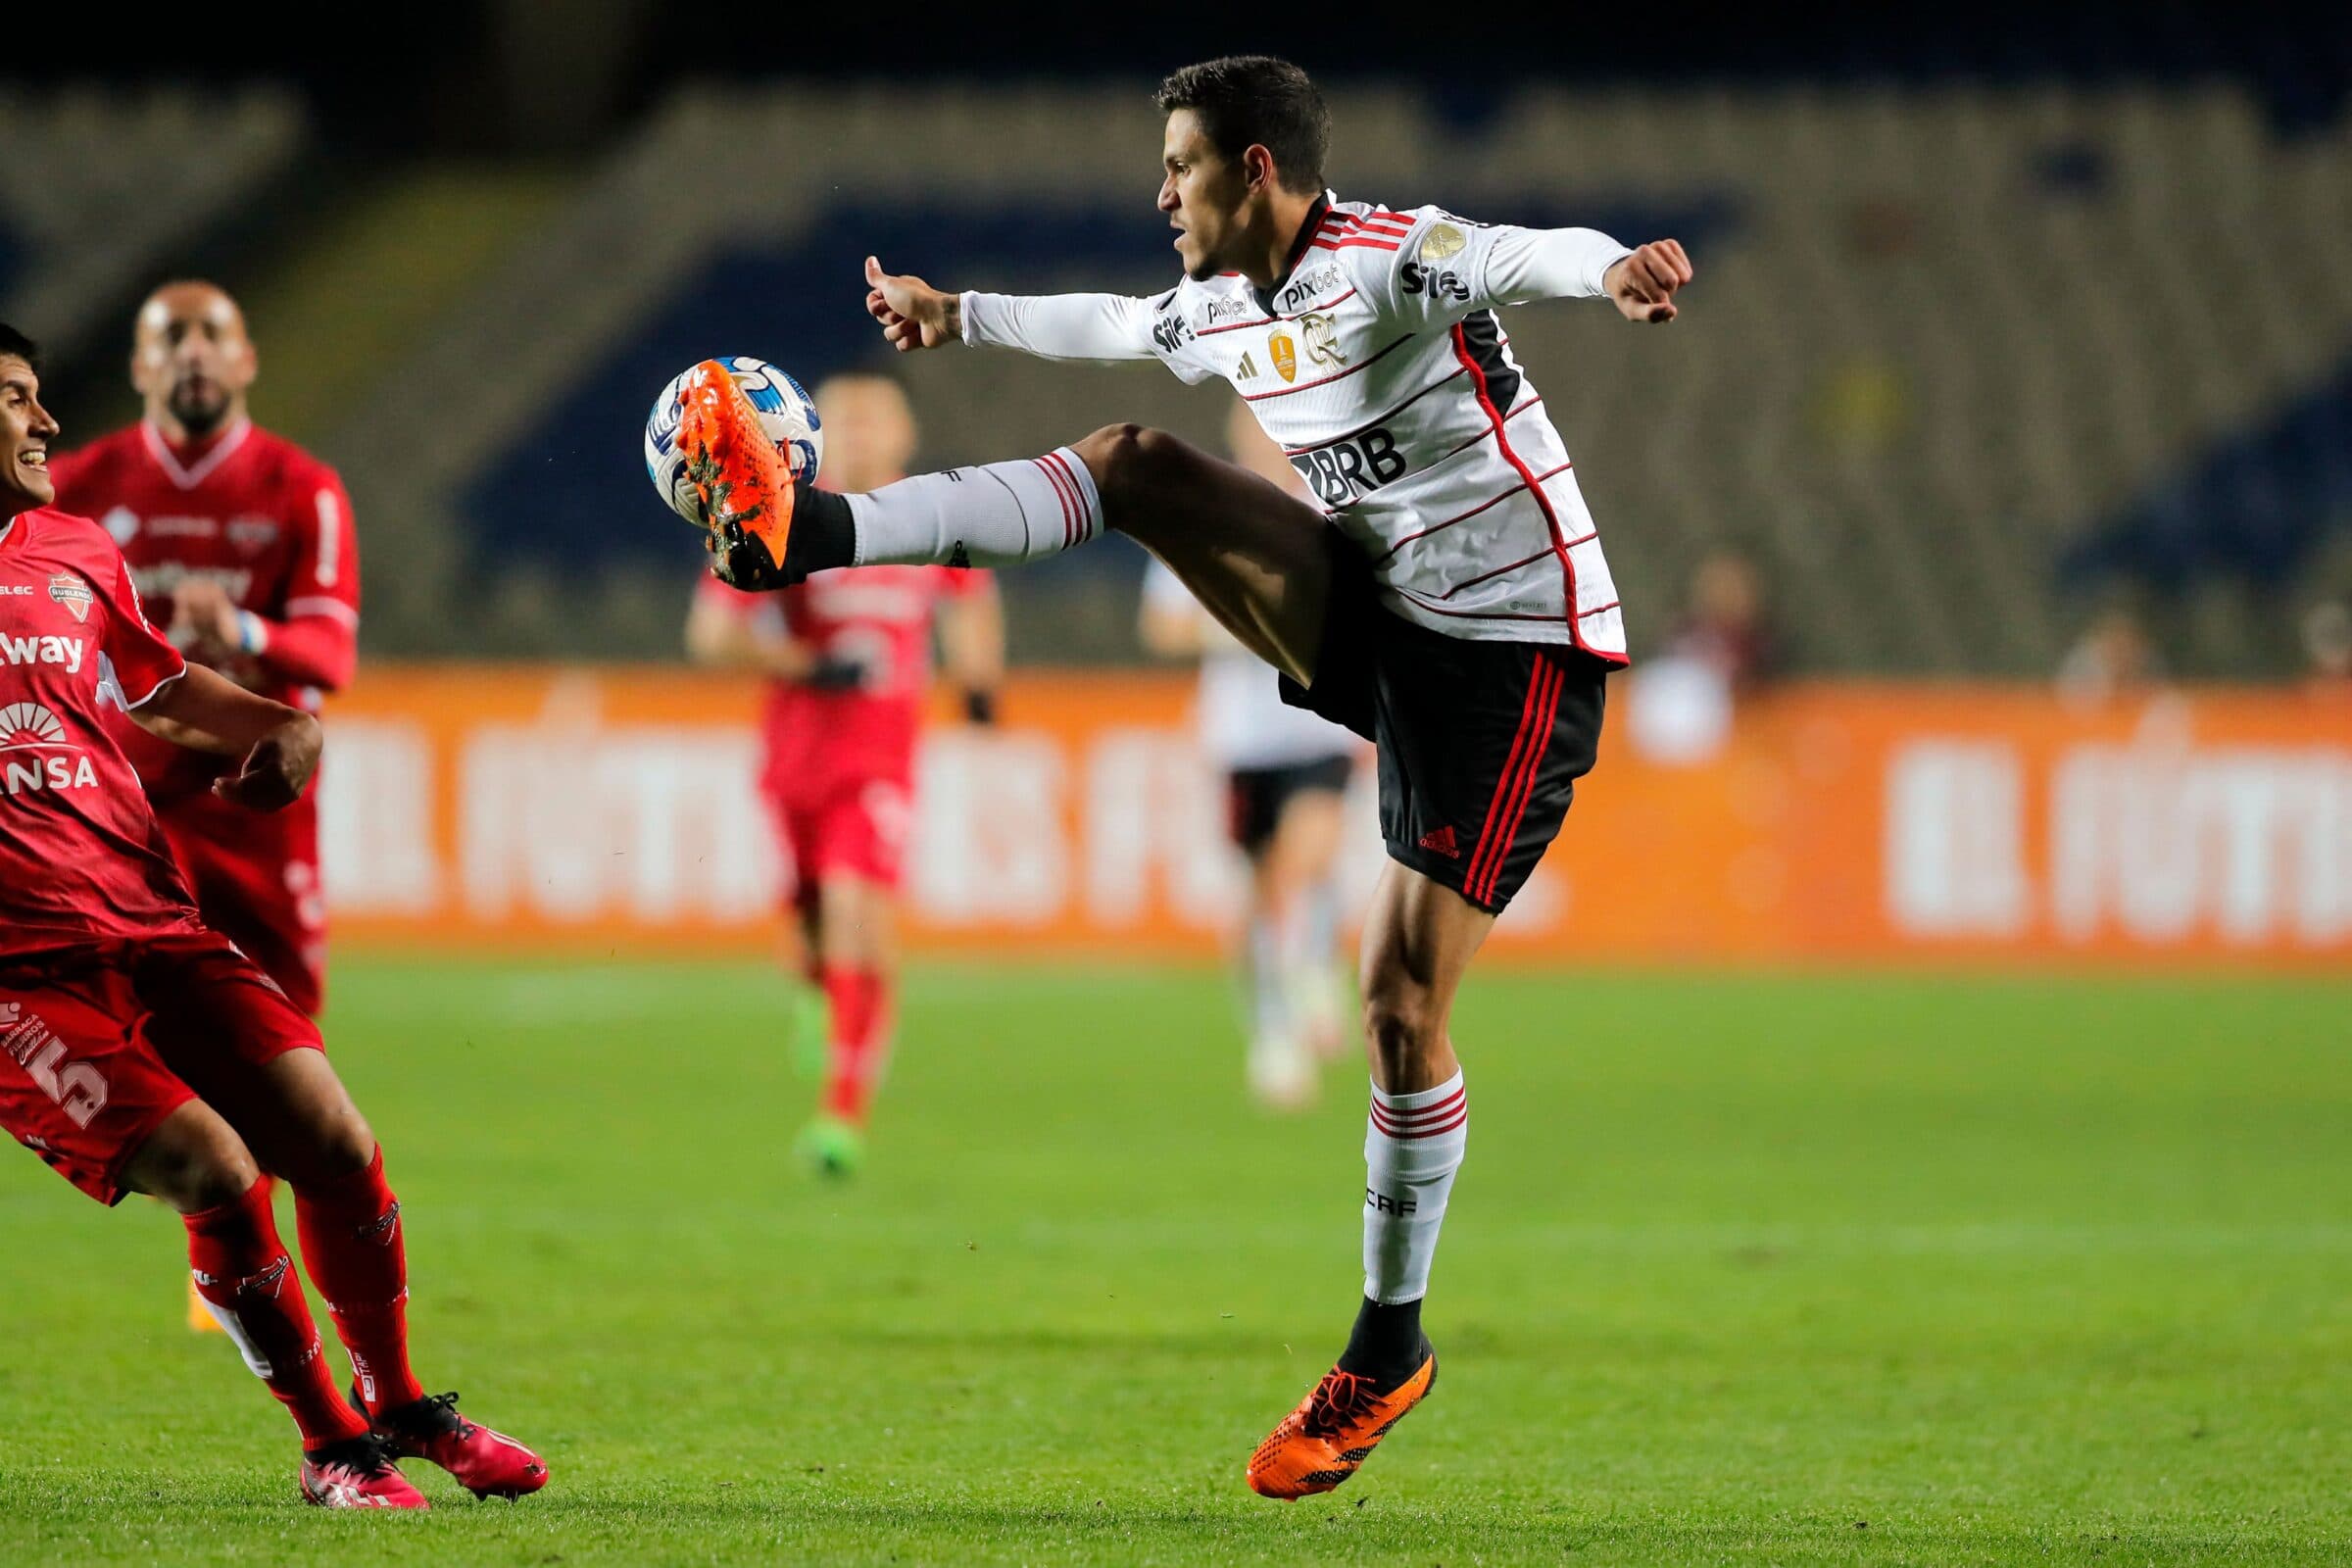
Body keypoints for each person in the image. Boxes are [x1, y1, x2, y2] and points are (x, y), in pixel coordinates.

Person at [670, 55, 1691, 1498]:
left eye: (1181, 168)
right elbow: (1102, 320)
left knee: (1399, 1010)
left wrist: (1616, 274)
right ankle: (819, 533)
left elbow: (1522, 254)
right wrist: (958, 315)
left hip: (1516, 652)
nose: (1160, 193)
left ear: (1258, 172)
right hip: (1382, 608)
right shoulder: (1220, 305)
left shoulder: (1390, 262)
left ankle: (1386, 1343)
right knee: (1138, 461)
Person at [0, 322, 544, 1509]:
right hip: (21, 976)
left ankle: (401, 1407)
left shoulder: (74, 547)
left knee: (338, 1143)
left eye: (42, 399)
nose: (45, 423)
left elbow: (157, 681)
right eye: (17, 399)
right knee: (220, 1173)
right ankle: (331, 1448)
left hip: (149, 919)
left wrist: (276, 725)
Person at [48, 281, 362, 1334]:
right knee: (154, 1030)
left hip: (260, 807)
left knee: (285, 1038)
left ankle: (263, 1248)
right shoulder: (81, 484)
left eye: (210, 334)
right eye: (166, 337)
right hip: (123, 813)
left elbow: (332, 651)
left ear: (247, 361)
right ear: (138, 367)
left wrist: (248, 631)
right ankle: (225, 1245)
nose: (190, 352)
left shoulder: (298, 488)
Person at [685, 371, 1003, 1176]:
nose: (860, 435)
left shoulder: (935, 518)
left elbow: (973, 601)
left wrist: (977, 683)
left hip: (880, 762)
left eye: (875, 421)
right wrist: (800, 662)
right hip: (795, 758)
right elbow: (711, 635)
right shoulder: (778, 516)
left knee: (862, 909)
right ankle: (821, 991)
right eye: (846, 421)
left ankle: (841, 1114)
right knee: (808, 930)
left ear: (904, 437)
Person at [1139, 400, 1357, 1108]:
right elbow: (1163, 630)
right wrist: (1249, 633)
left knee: (1312, 854)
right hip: (1241, 735)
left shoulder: (1333, 512)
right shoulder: (1202, 517)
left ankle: (1316, 970)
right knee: (1261, 888)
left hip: (1319, 725)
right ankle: (1272, 1031)